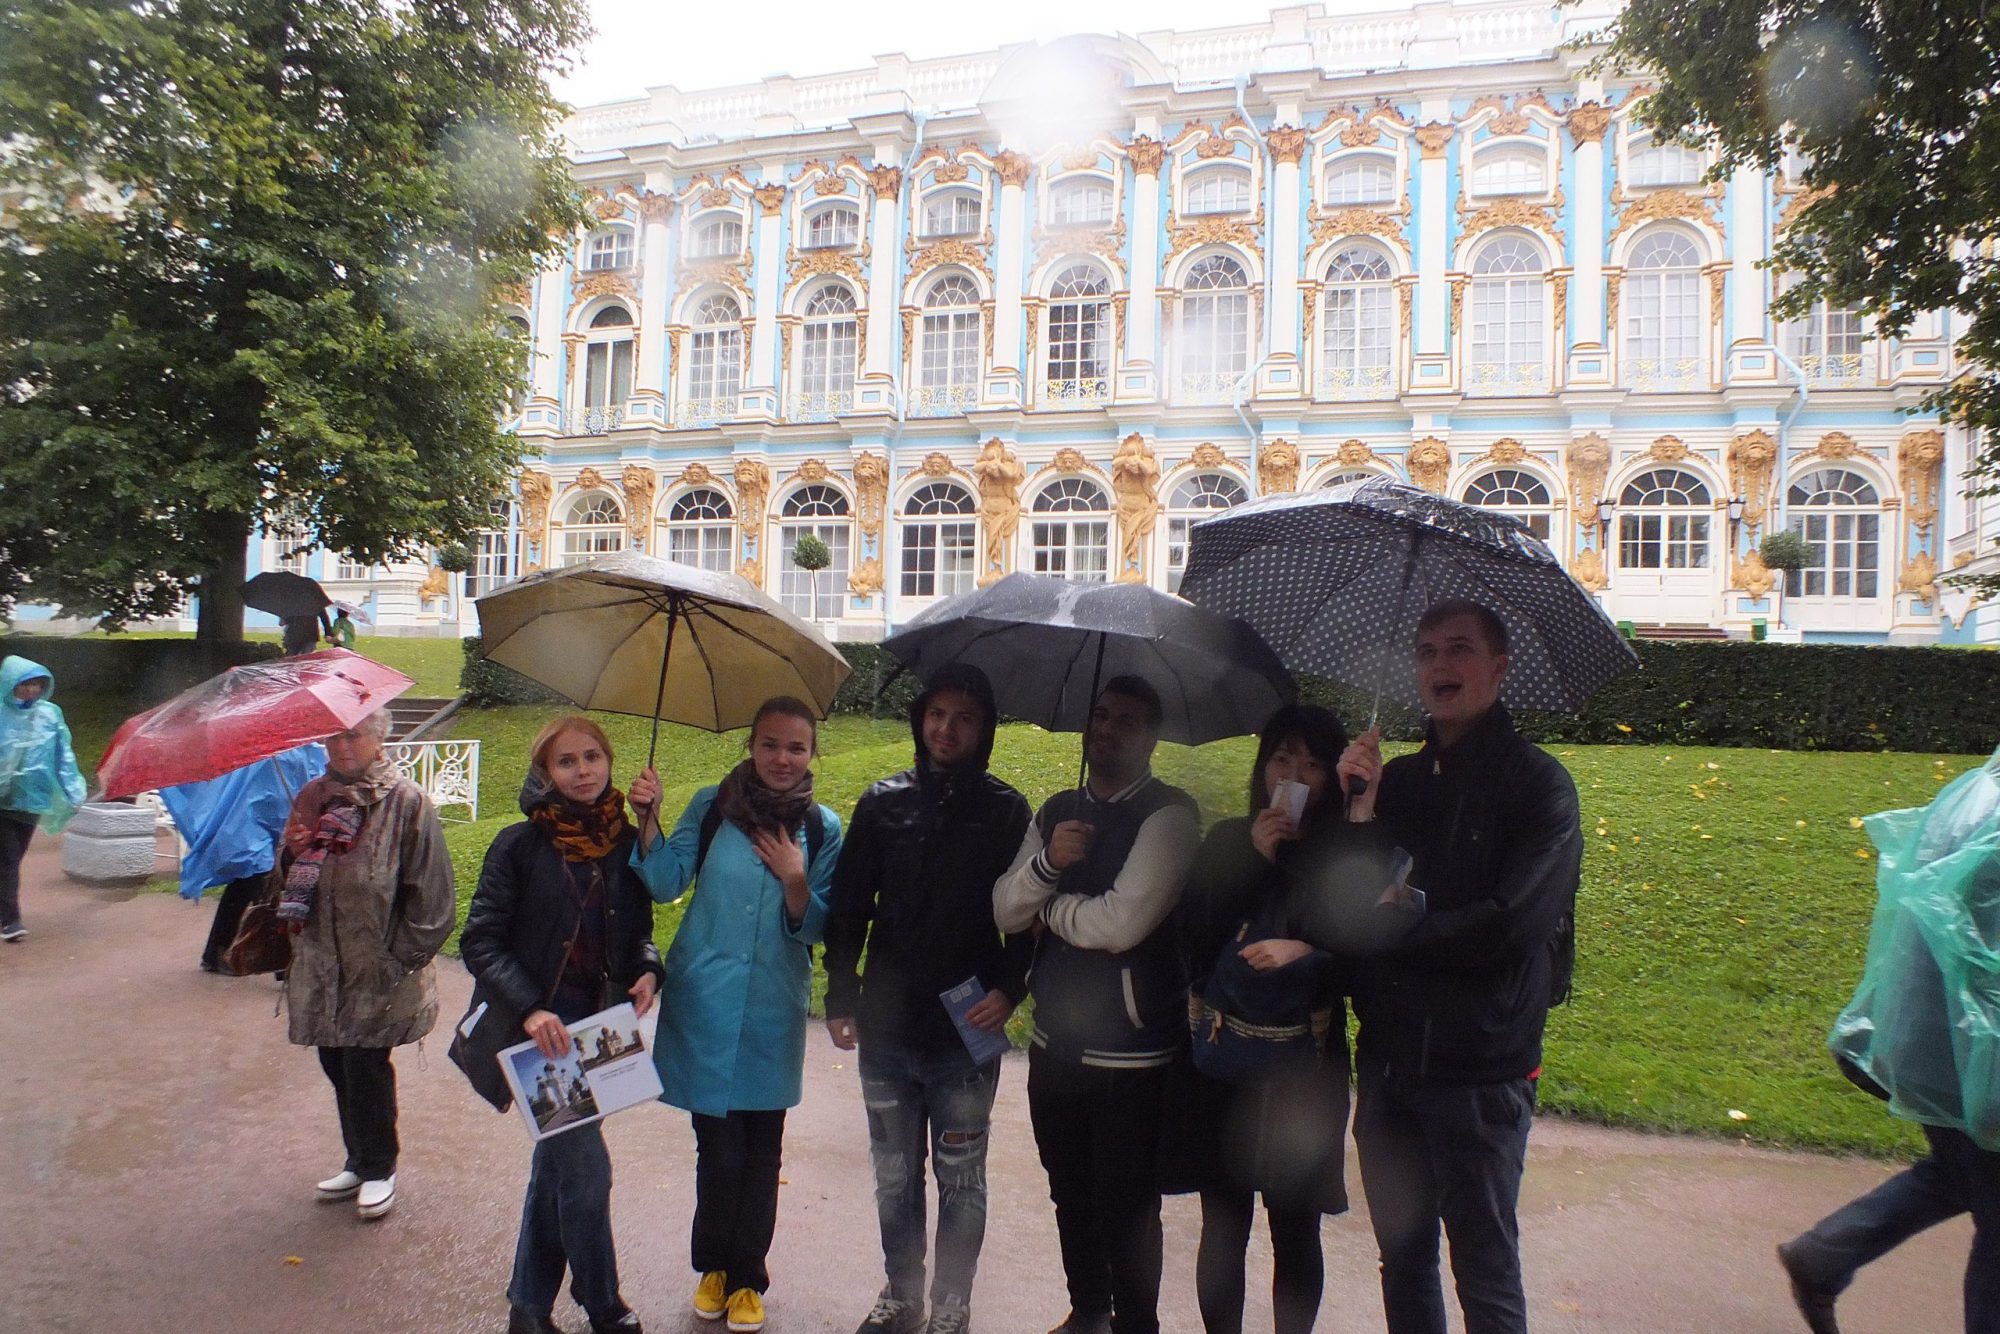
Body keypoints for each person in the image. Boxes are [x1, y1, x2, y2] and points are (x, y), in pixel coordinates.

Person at [1338, 599, 1581, 1334]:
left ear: (1499, 669)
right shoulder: (1401, 783)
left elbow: (1510, 926)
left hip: (1479, 1069)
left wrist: (1398, 924)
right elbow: (1350, 904)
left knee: (1483, 1263)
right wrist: (1359, 813)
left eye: (1459, 649)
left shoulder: (1541, 787)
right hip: (1388, 1062)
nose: (1440, 666)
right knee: (1402, 1258)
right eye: (1425, 651)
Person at [1174, 703, 1403, 1334]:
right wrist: (1250, 857)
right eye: (1281, 758)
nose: (1293, 775)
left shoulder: (1344, 851)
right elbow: (1191, 943)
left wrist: (1309, 953)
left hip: (1305, 1070)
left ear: (1333, 775)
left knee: (1295, 1227)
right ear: (1262, 767)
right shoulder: (1228, 838)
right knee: (1223, 1221)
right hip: (1223, 1066)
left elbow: (1368, 959)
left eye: (1311, 763)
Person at [822, 664, 1034, 1334]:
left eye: (964, 717)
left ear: (984, 729)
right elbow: (850, 909)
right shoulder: (881, 803)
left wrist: (1009, 987)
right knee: (893, 1174)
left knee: (962, 1177)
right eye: (937, 713)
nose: (947, 728)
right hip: (886, 1028)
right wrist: (841, 993)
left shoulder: (1007, 811)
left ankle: (951, 1302)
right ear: (921, 719)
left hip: (966, 1031)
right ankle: (903, 1292)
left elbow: (1027, 915)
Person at [993, 676, 1203, 1334]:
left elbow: (1121, 924)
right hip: (1056, 1045)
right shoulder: (1058, 810)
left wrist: (1047, 907)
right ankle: (1087, 1313)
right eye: (1102, 715)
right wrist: (1049, 864)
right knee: (1069, 1193)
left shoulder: (1170, 815)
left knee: (1128, 1207)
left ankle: (1136, 1324)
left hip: (1133, 1056)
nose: (1108, 729)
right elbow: (1003, 907)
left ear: (1152, 737)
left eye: (1128, 720)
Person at [628, 696, 843, 1334]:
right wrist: (648, 818)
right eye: (771, 743)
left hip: (774, 1010)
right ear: (751, 745)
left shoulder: (824, 828)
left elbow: (820, 929)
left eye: (796, 747)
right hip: (704, 1003)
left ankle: (750, 1277)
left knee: (762, 1151)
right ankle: (714, 1268)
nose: (782, 758)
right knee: (717, 1151)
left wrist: (797, 880)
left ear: (812, 755)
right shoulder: (712, 806)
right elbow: (665, 882)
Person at [1775, 749, 2000, 1334]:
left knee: (1957, 1173)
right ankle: (1825, 1255)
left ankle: (1826, 1254)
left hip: (1928, 1037)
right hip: (1977, 1054)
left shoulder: (1974, 789)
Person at [461, 716, 660, 1334]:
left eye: (593, 757)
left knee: (557, 1167)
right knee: (586, 1168)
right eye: (566, 761)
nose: (583, 770)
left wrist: (650, 971)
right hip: (543, 1035)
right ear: (544, 774)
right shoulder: (518, 845)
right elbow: (481, 941)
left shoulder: (626, 843)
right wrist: (530, 1007)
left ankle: (528, 1306)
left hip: (601, 1029)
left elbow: (640, 933)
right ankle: (603, 1305)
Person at [280, 708, 456, 1222]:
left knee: (365, 1064)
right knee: (333, 1059)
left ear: (380, 738)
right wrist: (293, 853)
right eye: (333, 736)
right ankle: (358, 1159)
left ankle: (380, 1166)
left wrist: (397, 959)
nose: (341, 745)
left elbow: (434, 899)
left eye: (353, 735)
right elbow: (291, 881)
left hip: (378, 965)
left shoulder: (407, 805)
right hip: (321, 962)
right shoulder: (312, 799)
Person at [158, 743, 327, 973]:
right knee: (250, 881)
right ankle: (220, 952)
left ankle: (259, 954)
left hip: (271, 823)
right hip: (246, 823)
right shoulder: (262, 746)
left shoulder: (303, 747)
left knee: (266, 886)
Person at [0, 656, 87, 942]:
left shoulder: (50, 714)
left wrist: (73, 789)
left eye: (37, 684)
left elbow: (63, 755)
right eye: (25, 684)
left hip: (31, 799)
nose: (31, 690)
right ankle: (10, 921)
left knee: (13, 857)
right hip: (2, 800)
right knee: (8, 859)